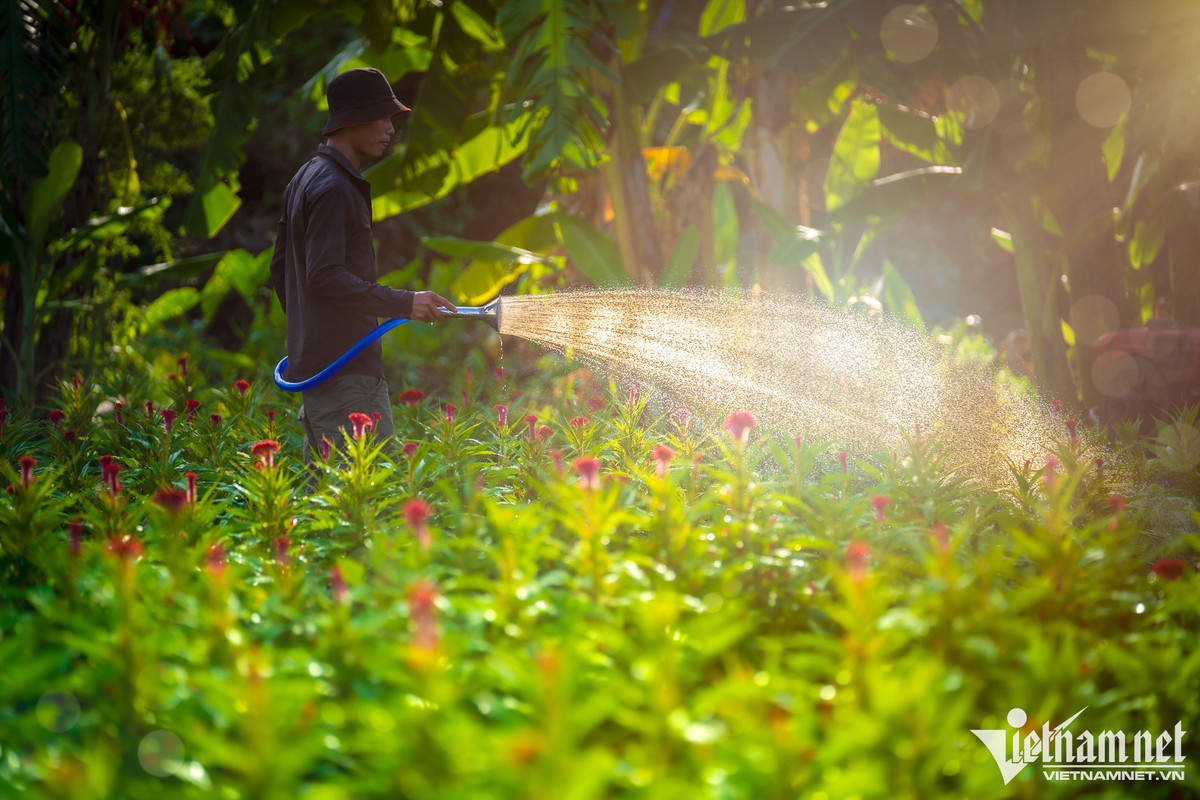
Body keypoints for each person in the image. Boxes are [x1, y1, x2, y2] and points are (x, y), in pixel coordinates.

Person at [269, 67, 456, 460]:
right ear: (353, 120)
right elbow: (325, 277)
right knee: (374, 501)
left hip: (327, 373)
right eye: (383, 118)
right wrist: (405, 303)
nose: (391, 128)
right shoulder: (335, 187)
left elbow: (280, 269)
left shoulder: (303, 179)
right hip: (345, 380)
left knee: (327, 505)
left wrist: (309, 339)